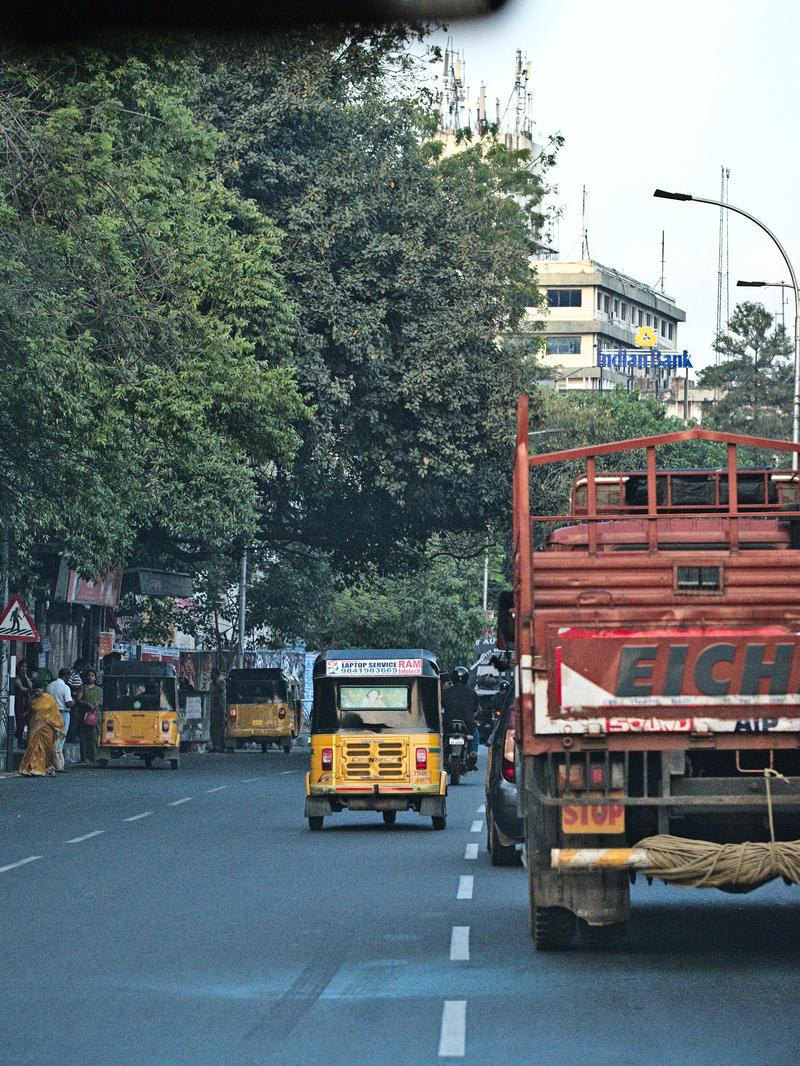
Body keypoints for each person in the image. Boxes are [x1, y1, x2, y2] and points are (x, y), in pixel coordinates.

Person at [19, 683, 64, 777]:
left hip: (47, 727)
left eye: (38, 690)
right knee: (33, 747)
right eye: (35, 691)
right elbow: (30, 712)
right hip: (35, 726)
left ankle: (48, 767)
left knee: (48, 748)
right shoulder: (32, 700)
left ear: (43, 689)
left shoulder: (49, 699)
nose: (37, 692)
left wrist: (56, 725)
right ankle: (33, 768)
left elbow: (55, 713)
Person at [442, 665, 480, 769]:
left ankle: (442, 754)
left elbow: (440, 706)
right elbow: (476, 709)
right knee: (475, 734)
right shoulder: (472, 693)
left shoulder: (445, 693)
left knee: (441, 736)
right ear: (466, 678)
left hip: (448, 723)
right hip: (468, 724)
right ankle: (473, 753)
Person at [46, 668, 75, 767]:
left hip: (51, 713)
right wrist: (74, 702)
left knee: (52, 737)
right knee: (60, 738)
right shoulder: (65, 687)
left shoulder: (50, 686)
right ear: (66, 676)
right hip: (62, 713)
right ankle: (58, 762)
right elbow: (68, 703)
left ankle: (50, 761)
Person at [76, 669, 102, 764]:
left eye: (92, 675)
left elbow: (102, 701)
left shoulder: (99, 690)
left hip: (96, 714)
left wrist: (98, 703)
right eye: (88, 675)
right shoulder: (83, 687)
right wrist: (87, 703)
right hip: (85, 715)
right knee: (84, 736)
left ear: (95, 677)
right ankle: (84, 757)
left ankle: (94, 757)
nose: (90, 677)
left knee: (95, 736)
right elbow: (78, 699)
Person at [14, 661, 34, 747]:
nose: (24, 669)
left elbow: (30, 686)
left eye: (25, 667)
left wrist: (26, 676)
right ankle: (19, 741)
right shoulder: (16, 677)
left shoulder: (24, 676)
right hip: (18, 700)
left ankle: (23, 740)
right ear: (19, 667)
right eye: (22, 667)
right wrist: (29, 690)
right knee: (20, 722)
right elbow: (21, 688)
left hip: (25, 701)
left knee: (25, 721)